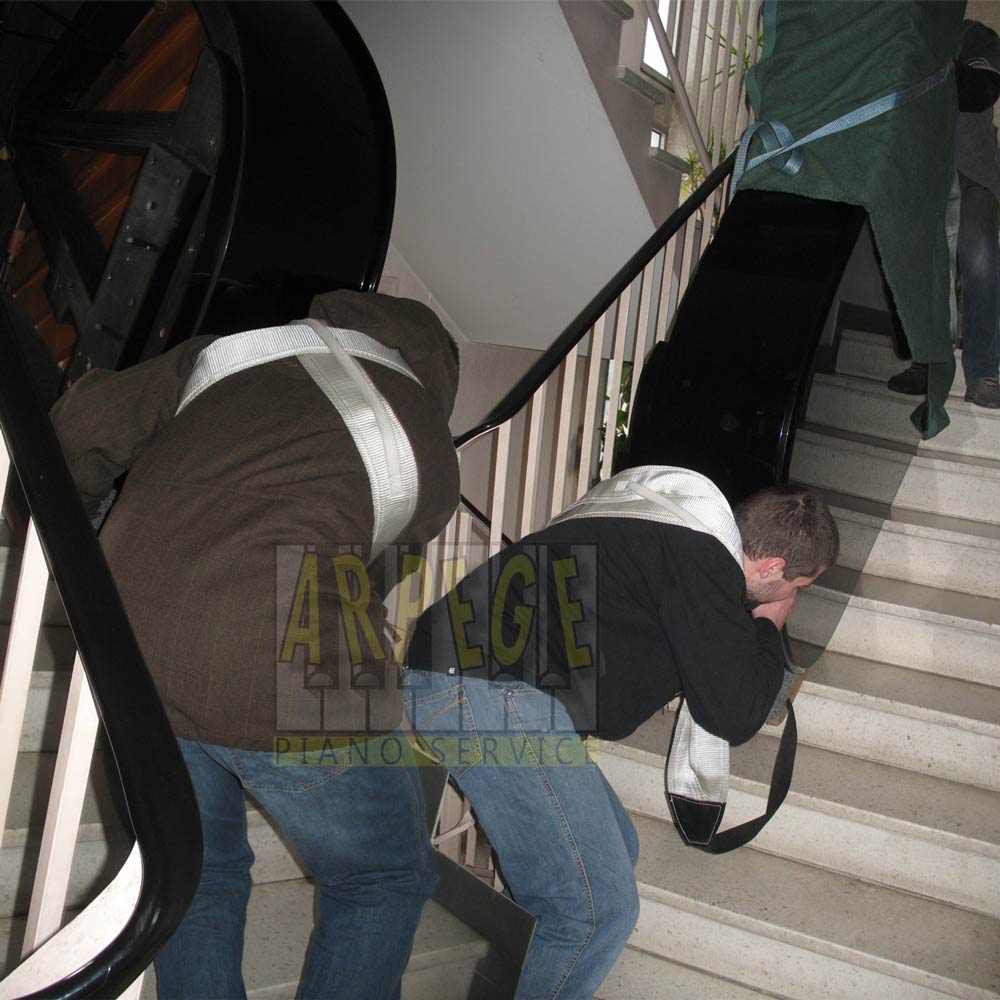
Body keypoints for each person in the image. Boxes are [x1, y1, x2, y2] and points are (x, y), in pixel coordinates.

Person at [50, 290, 461, 999]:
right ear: (433, 372)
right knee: (382, 878)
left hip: (126, 649)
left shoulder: (232, 353)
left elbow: (77, 426)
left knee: (196, 870)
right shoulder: (425, 437)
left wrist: (85, 518)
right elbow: (371, 582)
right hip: (284, 669)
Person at [403, 467, 838, 999]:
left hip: (479, 682)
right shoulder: (703, 560)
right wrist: (768, 623)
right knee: (595, 909)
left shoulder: (668, 524)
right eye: (796, 588)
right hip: (486, 690)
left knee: (613, 850)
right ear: (772, 566)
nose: (792, 601)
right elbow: (733, 713)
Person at [888, 19, 1000, 409]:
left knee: (979, 254)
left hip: (974, 174)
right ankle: (929, 364)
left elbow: (981, 91)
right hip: (926, 174)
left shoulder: (978, 37)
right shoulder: (911, 33)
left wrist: (933, 60)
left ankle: (985, 369)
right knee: (924, 266)